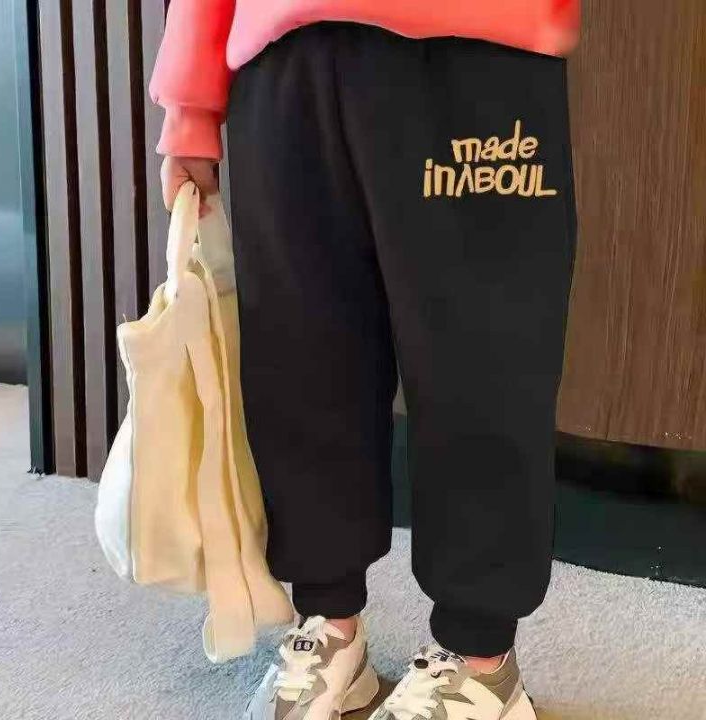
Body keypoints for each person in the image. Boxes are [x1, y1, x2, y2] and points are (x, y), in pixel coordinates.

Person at [151, 1, 580, 718]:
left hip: (476, 40)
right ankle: (329, 623)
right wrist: (190, 106)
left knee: (482, 364)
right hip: (282, 54)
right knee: (301, 360)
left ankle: (481, 660)